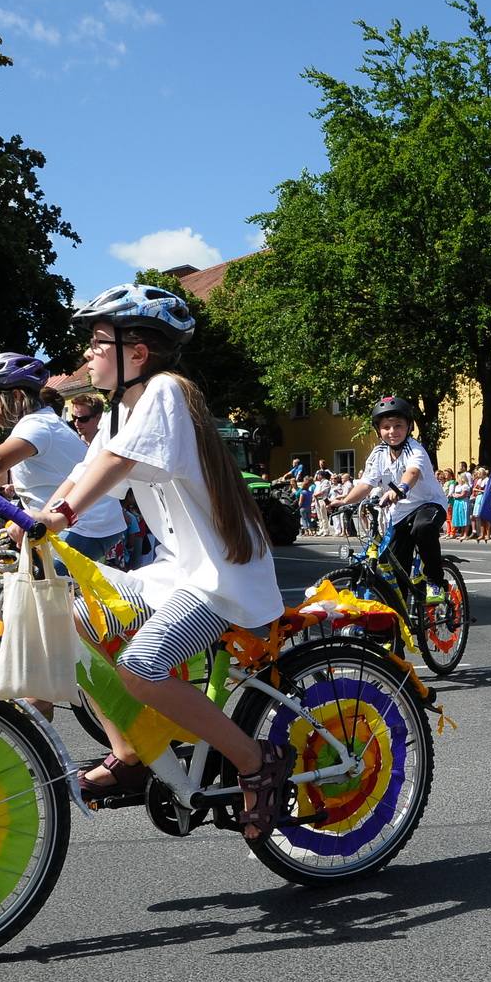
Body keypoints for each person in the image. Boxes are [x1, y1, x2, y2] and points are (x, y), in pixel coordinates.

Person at [32, 283, 288, 835]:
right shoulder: (120, 411)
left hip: (221, 575)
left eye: (98, 342)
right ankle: (131, 756)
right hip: (177, 569)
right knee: (73, 621)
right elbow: (83, 473)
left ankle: (255, 761)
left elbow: (116, 466)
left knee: (140, 668)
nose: (87, 354)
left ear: (137, 352)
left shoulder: (167, 392)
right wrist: (24, 523)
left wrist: (60, 517)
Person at [0, 353, 127, 564]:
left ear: (16, 396)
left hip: (88, 526)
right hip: (82, 523)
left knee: (35, 590)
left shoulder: (37, 425)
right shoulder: (34, 426)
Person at [333, 396, 452, 597]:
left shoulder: (414, 449)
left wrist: (399, 489)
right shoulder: (378, 453)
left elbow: (412, 473)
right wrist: (344, 501)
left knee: (422, 527)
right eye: (386, 427)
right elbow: (366, 484)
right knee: (397, 570)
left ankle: (435, 581)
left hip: (429, 504)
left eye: (398, 426)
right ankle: (401, 619)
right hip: (400, 513)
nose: (392, 432)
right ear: (378, 430)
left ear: (409, 427)